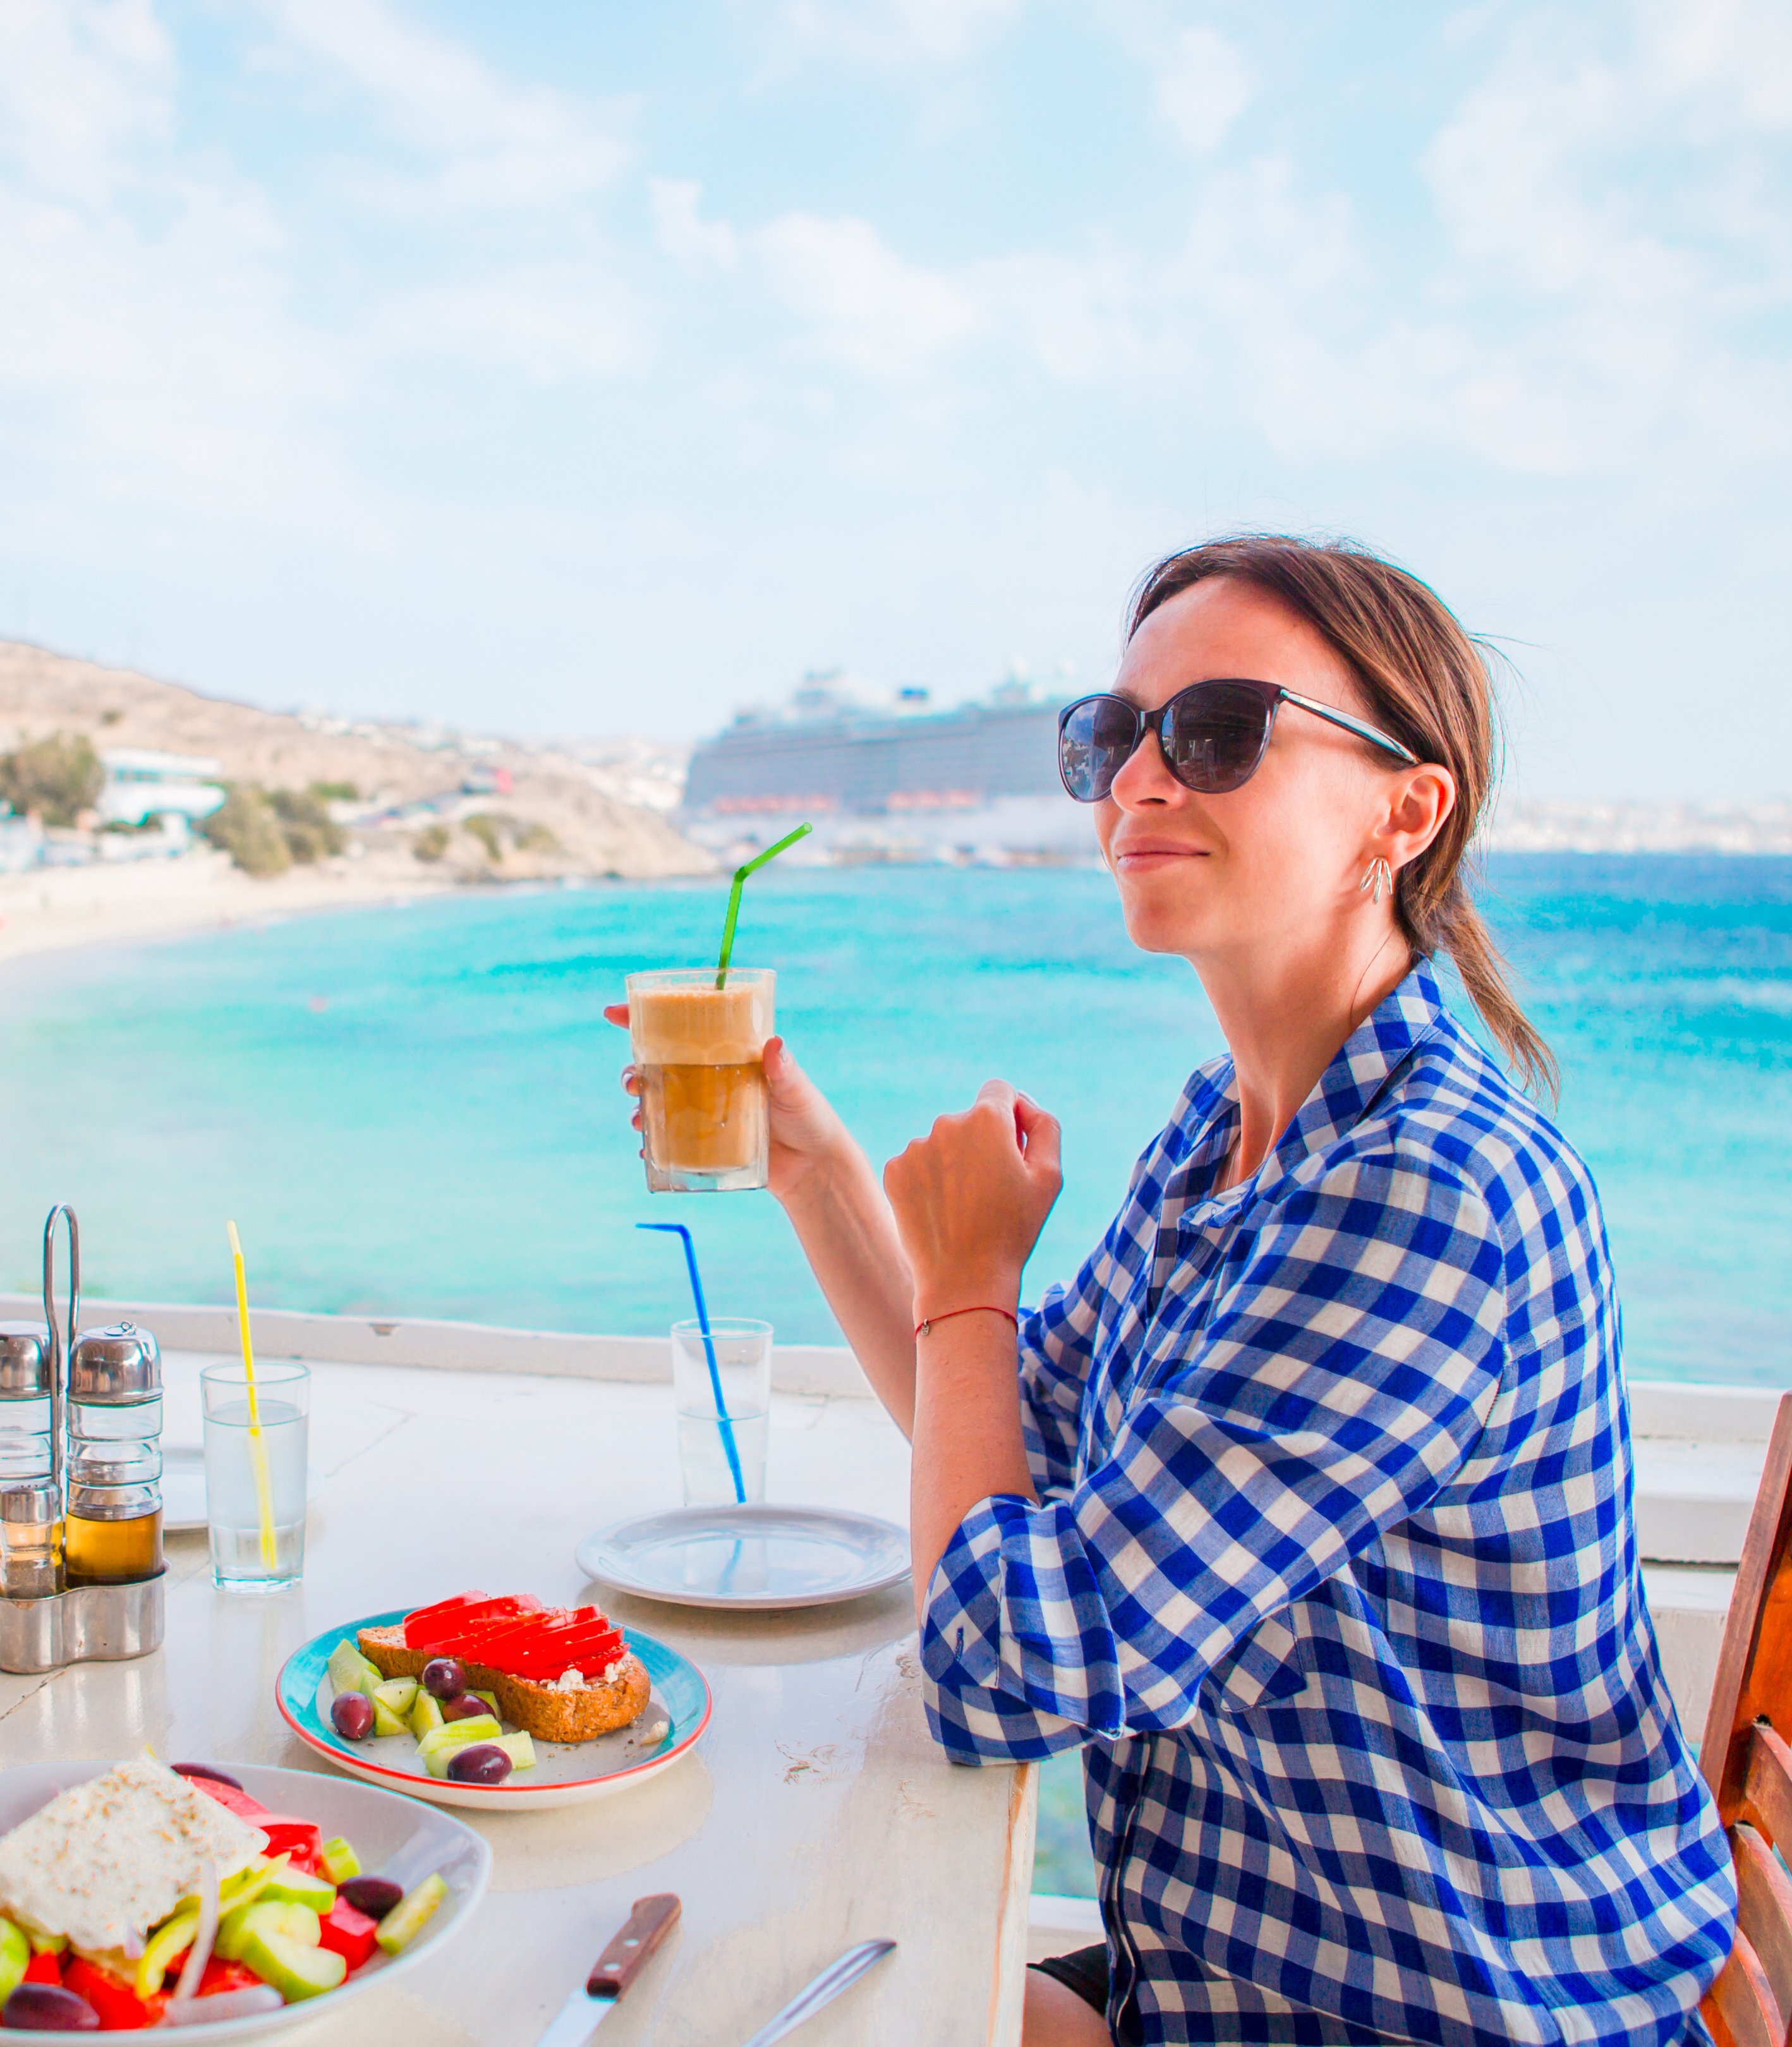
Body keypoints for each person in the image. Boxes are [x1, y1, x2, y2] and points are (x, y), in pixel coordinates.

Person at [617, 536, 1733, 2046]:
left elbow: (1009, 1665)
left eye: (1217, 732)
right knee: (741, 1976)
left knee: (724, 1993)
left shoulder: (1427, 1194)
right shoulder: (1231, 1129)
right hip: (1226, 1979)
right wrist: (820, 1175)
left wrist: (972, 1281)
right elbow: (1021, 1435)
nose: (1141, 778)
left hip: (1430, 2013)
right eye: (1112, 734)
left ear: (1404, 812)